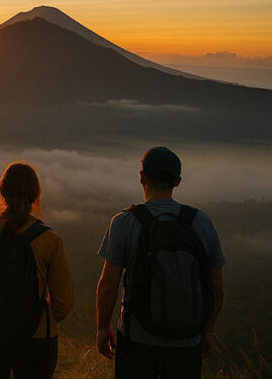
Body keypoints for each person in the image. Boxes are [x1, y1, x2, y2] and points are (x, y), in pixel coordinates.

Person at [95, 146, 226, 379]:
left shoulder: (124, 223)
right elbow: (217, 288)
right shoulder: (201, 223)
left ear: (142, 177)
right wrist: (208, 330)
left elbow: (108, 286)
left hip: (136, 340)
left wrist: (102, 328)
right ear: (178, 181)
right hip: (187, 343)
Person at [0, 162, 74, 379]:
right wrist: (35, 316)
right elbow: (63, 304)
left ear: (3, 192)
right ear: (35, 196)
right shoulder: (49, 240)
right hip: (35, 339)